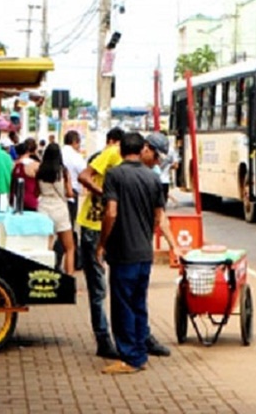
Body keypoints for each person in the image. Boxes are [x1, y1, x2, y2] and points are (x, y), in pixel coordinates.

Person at [96, 132, 174, 374]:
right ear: (141, 150)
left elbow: (111, 212)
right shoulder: (152, 179)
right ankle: (140, 351)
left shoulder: (115, 174)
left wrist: (102, 243)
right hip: (144, 253)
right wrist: (174, 246)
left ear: (120, 151)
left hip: (123, 252)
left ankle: (130, 358)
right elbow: (160, 217)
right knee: (139, 304)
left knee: (123, 307)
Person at [77, 126, 125, 359]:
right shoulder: (111, 153)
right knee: (98, 288)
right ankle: (103, 339)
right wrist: (105, 195)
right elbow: (83, 176)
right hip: (93, 227)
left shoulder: (127, 161)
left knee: (119, 285)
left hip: (115, 228)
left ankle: (127, 336)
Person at [35, 143, 77, 276]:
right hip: (59, 208)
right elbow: (69, 193)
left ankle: (45, 274)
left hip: (43, 208)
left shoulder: (39, 170)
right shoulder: (63, 172)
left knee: (46, 247)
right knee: (69, 247)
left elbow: (37, 192)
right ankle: (69, 278)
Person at [57, 130, 87, 271]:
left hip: (56, 194)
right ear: (75, 142)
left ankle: (58, 261)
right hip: (71, 194)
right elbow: (84, 174)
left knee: (58, 229)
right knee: (68, 228)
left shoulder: (58, 154)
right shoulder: (76, 157)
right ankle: (73, 261)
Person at [12, 140, 39, 211]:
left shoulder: (13, 165)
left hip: (15, 201)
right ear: (28, 151)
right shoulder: (35, 165)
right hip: (31, 200)